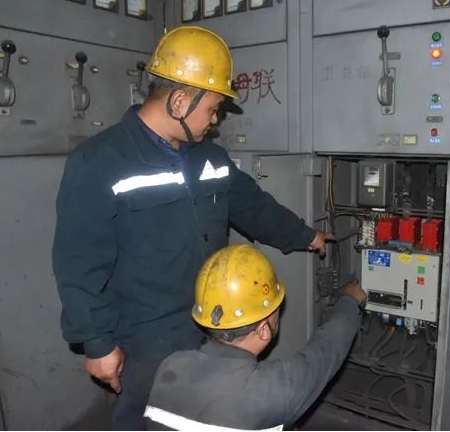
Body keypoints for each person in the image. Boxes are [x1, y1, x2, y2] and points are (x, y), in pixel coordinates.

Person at [51, 25, 333, 431]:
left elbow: (253, 206)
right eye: (213, 108)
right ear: (180, 101)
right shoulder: (99, 163)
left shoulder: (210, 159)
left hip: (208, 327)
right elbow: (77, 263)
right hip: (146, 341)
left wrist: (304, 235)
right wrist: (97, 343)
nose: (215, 121)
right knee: (145, 420)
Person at [143, 244, 367, 431]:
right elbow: (325, 351)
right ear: (263, 330)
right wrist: (349, 301)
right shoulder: (269, 392)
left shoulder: (171, 366)